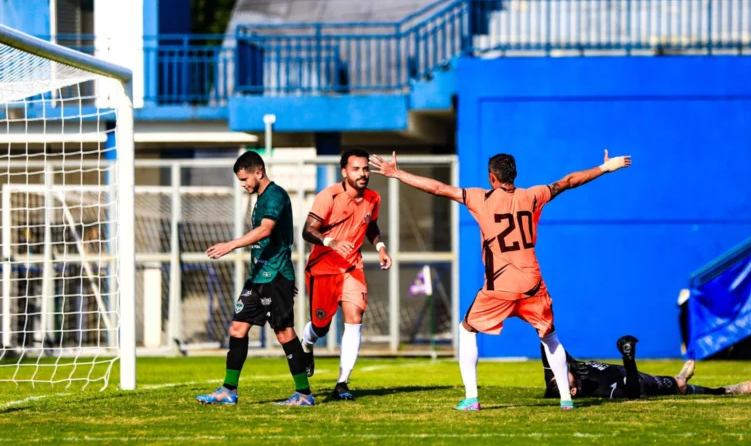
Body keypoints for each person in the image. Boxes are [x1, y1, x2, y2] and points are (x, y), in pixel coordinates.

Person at [371, 149, 631, 411]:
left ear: (492, 177)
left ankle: (472, 398)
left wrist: (397, 173)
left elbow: (438, 188)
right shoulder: (533, 195)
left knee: (466, 329)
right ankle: (566, 399)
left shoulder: (480, 198)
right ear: (514, 175)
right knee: (550, 337)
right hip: (532, 285)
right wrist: (605, 168)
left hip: (499, 287)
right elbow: (569, 181)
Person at [196, 151, 313, 406]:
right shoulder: (259, 198)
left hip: (276, 275)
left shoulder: (275, 195)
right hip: (258, 277)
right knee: (237, 328)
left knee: (283, 332)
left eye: (244, 179)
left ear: (258, 173)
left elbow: (266, 230)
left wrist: (230, 245)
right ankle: (228, 390)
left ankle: (304, 394)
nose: (243, 184)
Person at [300, 148, 392, 401]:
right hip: (322, 270)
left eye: (365, 169)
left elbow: (371, 225)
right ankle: (306, 343)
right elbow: (307, 230)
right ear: (344, 172)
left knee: (355, 317)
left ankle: (342, 383)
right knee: (321, 327)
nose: (362, 174)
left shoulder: (373, 198)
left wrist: (381, 247)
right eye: (356, 169)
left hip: (352, 269)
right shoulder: (328, 196)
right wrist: (331, 242)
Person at [542, 335, 751, 400]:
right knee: (680, 386)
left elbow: (549, 346)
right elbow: (632, 392)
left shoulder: (574, 369)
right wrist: (629, 360)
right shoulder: (599, 391)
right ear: (572, 391)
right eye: (558, 380)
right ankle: (727, 391)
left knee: (679, 383)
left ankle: (681, 376)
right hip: (638, 381)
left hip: (630, 372)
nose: (557, 374)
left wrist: (542, 322)